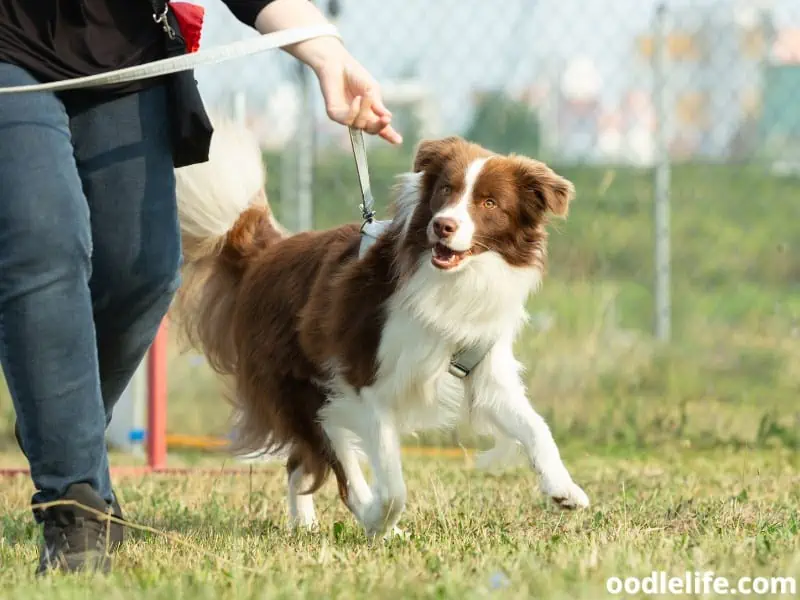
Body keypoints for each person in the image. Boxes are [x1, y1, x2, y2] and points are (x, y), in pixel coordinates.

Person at [0, 0, 401, 574]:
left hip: (123, 52)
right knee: (45, 241)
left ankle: (59, 418)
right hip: (8, 49)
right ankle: (76, 507)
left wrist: (325, 52)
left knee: (144, 270)